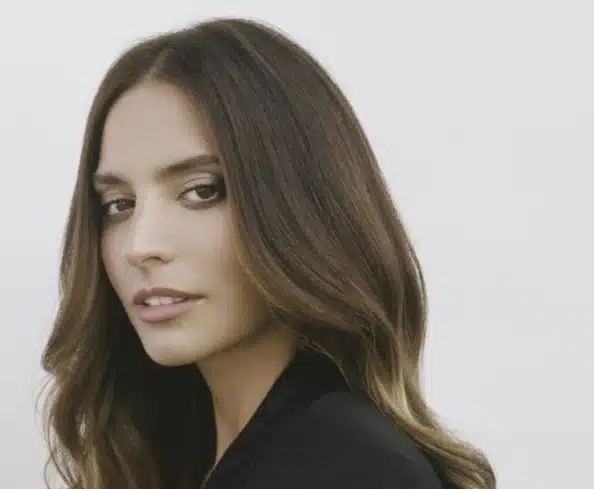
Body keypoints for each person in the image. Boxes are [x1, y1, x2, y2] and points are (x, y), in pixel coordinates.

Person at [40, 16, 496, 489]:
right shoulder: (182, 452)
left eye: (201, 192)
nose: (140, 245)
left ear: (302, 207)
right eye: (118, 205)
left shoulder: (349, 469)